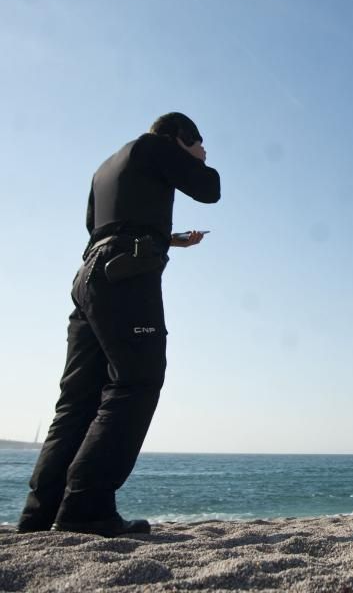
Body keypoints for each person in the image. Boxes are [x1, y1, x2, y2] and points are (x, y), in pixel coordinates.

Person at [17, 112, 221, 537]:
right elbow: (210, 189)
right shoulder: (155, 146)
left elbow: (103, 227)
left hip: (90, 276)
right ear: (177, 136)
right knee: (136, 382)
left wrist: (174, 239)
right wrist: (196, 161)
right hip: (125, 280)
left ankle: (40, 513)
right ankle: (87, 506)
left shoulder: (107, 166)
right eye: (198, 141)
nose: (203, 150)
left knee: (77, 399)